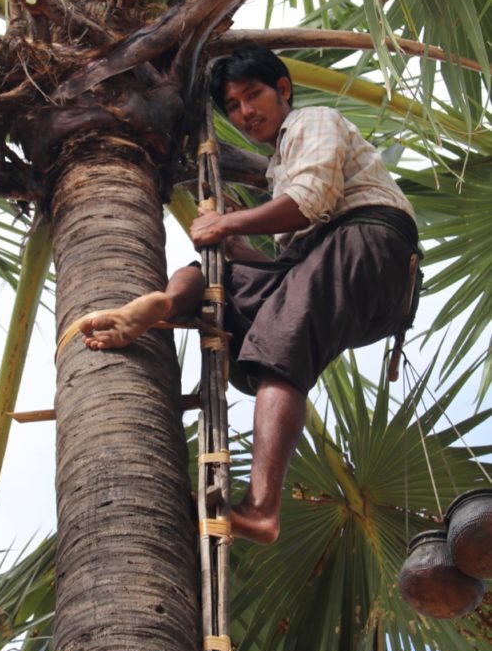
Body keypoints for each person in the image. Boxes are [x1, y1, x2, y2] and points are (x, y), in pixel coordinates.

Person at [78, 46, 420, 544]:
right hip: (327, 261)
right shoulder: (276, 167)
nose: (245, 113)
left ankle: (261, 510)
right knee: (219, 278)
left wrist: (226, 221)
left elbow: (308, 204)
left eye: (253, 95)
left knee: (283, 352)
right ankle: (165, 305)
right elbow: (290, 272)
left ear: (283, 88)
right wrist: (236, 245)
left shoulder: (312, 121)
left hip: (370, 242)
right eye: (233, 107)